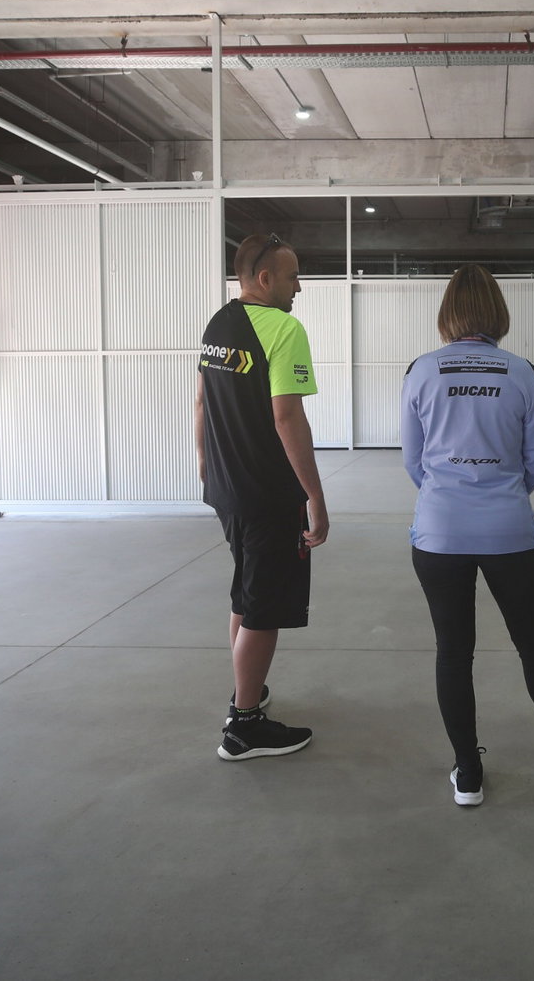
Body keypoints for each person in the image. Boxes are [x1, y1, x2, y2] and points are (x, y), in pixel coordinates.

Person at [401, 264, 534, 807]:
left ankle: (467, 773)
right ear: (498, 313)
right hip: (509, 529)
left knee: (452, 651)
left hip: (439, 531)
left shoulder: (420, 370)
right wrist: (502, 490)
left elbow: (412, 462)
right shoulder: (522, 372)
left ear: (447, 314)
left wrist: (449, 489)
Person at [195, 233, 329, 760]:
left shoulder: (217, 324)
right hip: (268, 493)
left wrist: (206, 465)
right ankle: (244, 726)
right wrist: (313, 495)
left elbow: (202, 402)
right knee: (265, 609)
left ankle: (244, 693)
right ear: (265, 279)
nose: (299, 288)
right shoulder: (283, 328)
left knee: (244, 594)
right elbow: (286, 415)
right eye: (293, 277)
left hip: (227, 489)